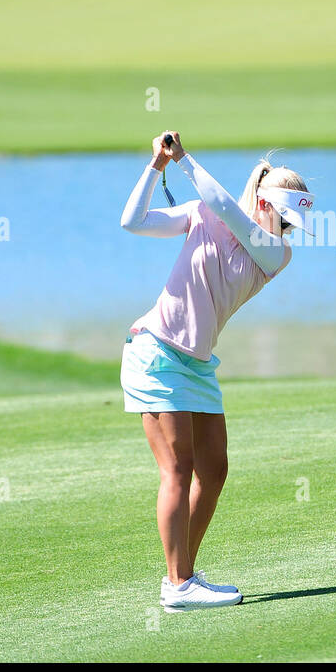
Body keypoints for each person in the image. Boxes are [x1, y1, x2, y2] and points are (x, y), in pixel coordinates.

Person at [120, 131, 313, 613]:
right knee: (178, 470)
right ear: (266, 202)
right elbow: (132, 221)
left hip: (197, 365)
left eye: (294, 223)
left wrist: (186, 160)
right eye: (285, 218)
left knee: (215, 469)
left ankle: (183, 573)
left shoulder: (273, 253)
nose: (288, 230)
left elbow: (228, 209)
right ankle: (178, 586)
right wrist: (157, 167)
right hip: (157, 353)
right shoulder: (201, 214)